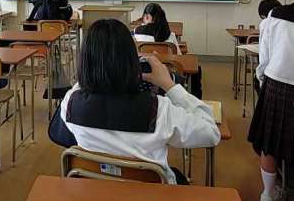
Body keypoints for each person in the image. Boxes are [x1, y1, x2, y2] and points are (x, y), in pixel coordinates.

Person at [60, 19, 220, 184]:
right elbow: (211, 132)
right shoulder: (158, 111)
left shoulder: (69, 104)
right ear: (132, 61)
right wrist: (169, 84)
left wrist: (96, 69)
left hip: (95, 189)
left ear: (84, 61)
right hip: (152, 195)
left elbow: (81, 86)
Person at [248, 2, 294, 201]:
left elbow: (264, 54)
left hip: (277, 81)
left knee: (270, 140)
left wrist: (262, 79)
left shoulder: (275, 15)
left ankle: (267, 194)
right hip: (279, 80)